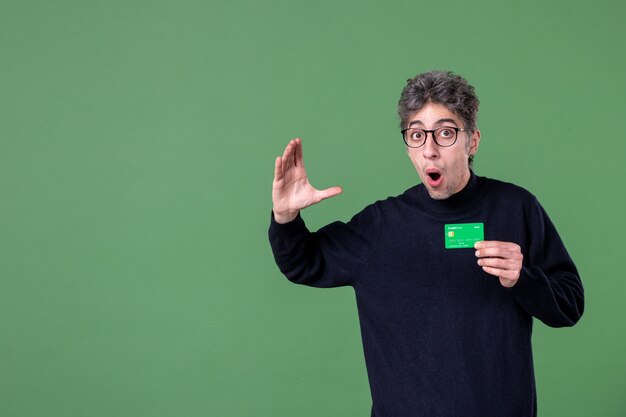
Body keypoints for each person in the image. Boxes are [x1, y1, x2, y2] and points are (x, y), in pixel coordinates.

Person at [268, 70, 584, 417]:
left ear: (472, 140)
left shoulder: (516, 208)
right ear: (407, 146)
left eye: (445, 133)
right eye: (417, 135)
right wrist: (286, 218)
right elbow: (301, 261)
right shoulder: (381, 226)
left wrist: (523, 278)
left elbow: (570, 304)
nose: (430, 151)